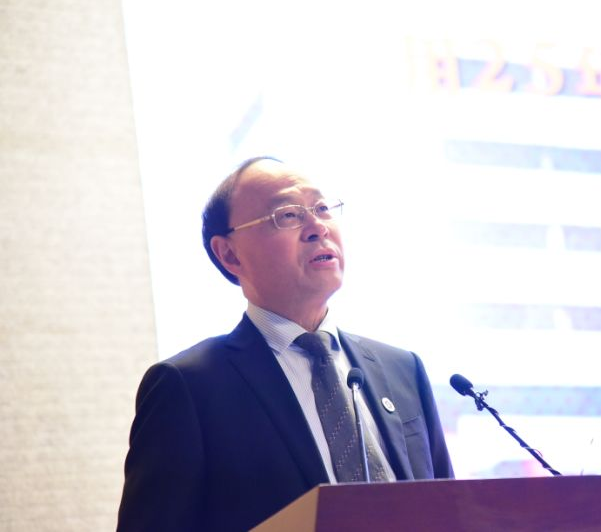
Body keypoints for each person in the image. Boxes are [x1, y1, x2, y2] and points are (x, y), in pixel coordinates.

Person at [117, 156, 454, 531]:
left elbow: (452, 512)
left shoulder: (402, 369)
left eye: (322, 209)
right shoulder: (188, 388)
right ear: (229, 253)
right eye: (288, 215)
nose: (317, 227)